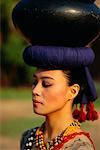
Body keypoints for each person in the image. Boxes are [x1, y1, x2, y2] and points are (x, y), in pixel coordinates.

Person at [11, 0, 100, 149]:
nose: (35, 91)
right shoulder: (28, 138)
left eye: (46, 83)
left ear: (73, 91)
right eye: (35, 82)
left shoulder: (79, 147)